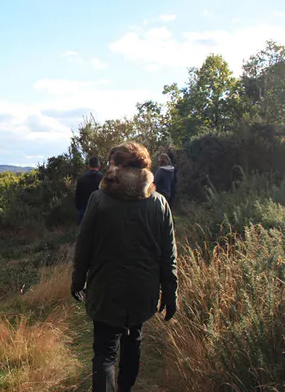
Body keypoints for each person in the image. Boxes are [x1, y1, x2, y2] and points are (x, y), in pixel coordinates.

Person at [71, 142, 178, 392]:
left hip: (106, 291)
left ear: (115, 167)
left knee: (105, 352)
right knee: (133, 341)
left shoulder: (99, 200)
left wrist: (77, 281)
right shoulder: (159, 203)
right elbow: (168, 256)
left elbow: (83, 246)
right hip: (143, 292)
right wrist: (170, 293)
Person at [75, 157, 103, 224]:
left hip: (84, 211)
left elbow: (77, 198)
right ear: (99, 166)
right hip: (100, 212)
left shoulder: (81, 179)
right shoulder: (103, 178)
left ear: (88, 166)